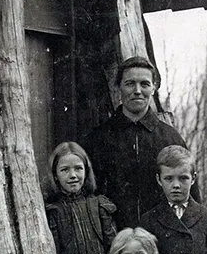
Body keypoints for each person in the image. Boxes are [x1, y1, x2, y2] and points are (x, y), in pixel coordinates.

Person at [84, 56, 198, 229]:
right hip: (114, 238)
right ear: (118, 87)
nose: (137, 90)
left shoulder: (171, 139)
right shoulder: (98, 139)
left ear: (154, 88)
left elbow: (191, 199)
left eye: (144, 84)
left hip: (162, 239)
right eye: (130, 83)